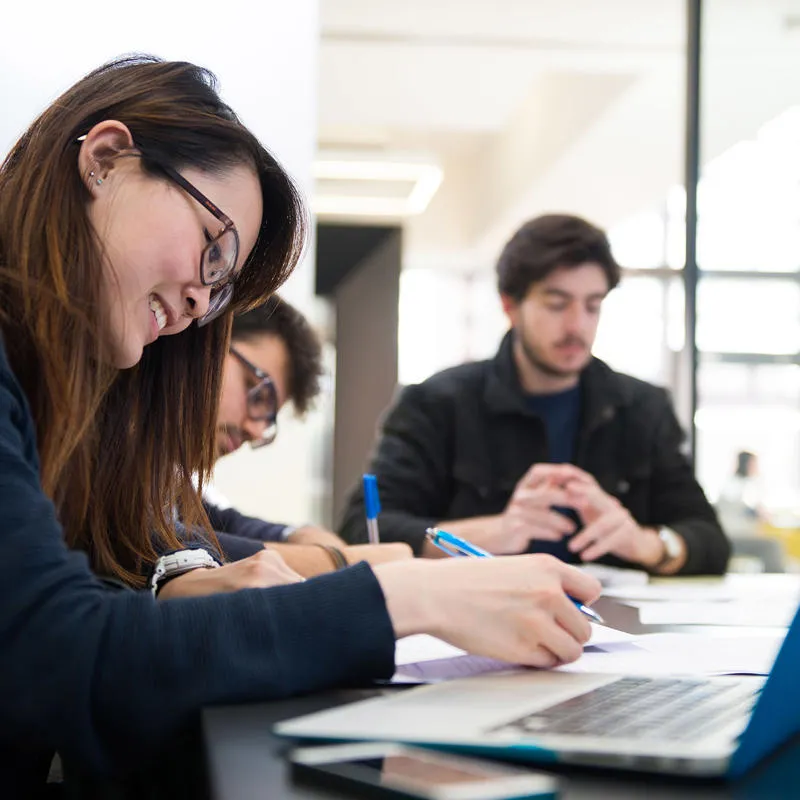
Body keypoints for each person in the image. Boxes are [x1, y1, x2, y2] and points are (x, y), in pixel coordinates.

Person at [0, 57, 601, 792]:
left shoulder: (52, 394)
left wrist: (178, 583)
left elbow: (102, 578)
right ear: (106, 160)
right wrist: (410, 598)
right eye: (212, 251)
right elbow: (59, 658)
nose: (199, 301)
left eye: (220, 287)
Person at [339, 214, 730, 576]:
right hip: (473, 627)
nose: (577, 325)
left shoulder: (643, 408)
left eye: (593, 306)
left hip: (614, 632)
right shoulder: (436, 404)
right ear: (510, 306)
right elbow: (363, 531)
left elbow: (710, 541)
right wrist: (496, 532)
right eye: (557, 304)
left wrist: (645, 543)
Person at [206, 295, 413, 575]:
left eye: (268, 417)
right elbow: (170, 544)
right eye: (257, 394)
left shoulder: (168, 483)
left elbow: (218, 522)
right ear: (204, 340)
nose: (255, 431)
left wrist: (298, 534)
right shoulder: (127, 457)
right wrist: (342, 562)